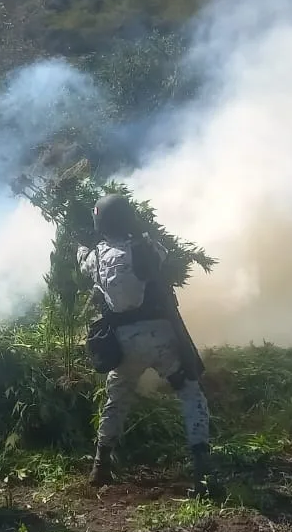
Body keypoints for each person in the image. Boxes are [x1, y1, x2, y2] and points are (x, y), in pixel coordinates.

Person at [77, 191, 224, 500]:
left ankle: (100, 464)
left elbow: (83, 263)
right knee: (189, 391)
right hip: (159, 337)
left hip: (123, 342)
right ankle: (202, 466)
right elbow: (162, 255)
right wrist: (141, 232)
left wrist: (80, 245)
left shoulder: (96, 258)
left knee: (116, 399)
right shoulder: (144, 249)